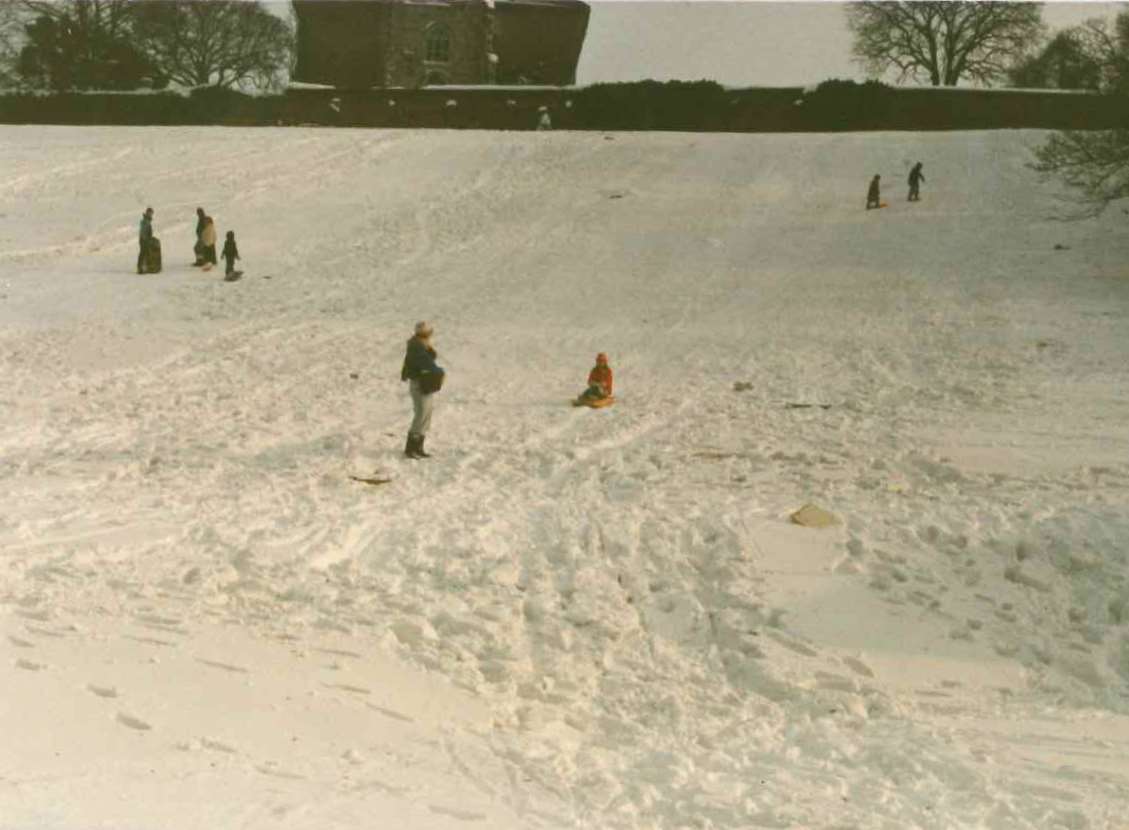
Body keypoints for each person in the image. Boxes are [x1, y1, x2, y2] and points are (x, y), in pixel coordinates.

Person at [400, 321, 444, 459]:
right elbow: (425, 362)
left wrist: (429, 349)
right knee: (421, 414)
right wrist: (439, 371)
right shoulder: (416, 346)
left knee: (426, 414)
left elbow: (429, 359)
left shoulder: (420, 344)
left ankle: (418, 447)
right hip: (419, 383)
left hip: (425, 383)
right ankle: (411, 448)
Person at [137, 207, 154, 274]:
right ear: (147, 212)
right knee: (143, 253)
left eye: (151, 213)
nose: (150, 214)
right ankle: (140, 267)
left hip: (146, 239)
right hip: (143, 240)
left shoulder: (148, 220)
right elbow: (143, 231)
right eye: (149, 213)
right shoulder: (144, 221)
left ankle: (145, 267)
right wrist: (145, 238)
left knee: (146, 253)